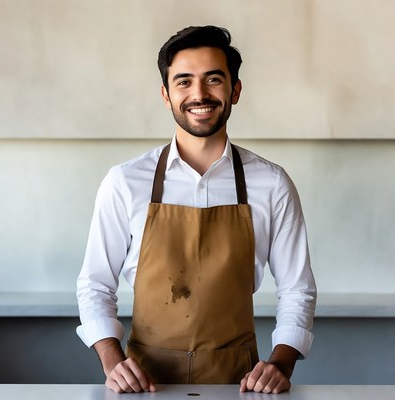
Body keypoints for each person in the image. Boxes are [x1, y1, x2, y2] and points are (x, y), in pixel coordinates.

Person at [76, 25, 316, 394]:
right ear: (166, 95)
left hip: (239, 384)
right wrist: (112, 361)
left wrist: (280, 363)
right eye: (184, 81)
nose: (199, 94)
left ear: (235, 90)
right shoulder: (124, 182)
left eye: (213, 79)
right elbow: (94, 285)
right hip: (144, 385)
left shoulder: (272, 184)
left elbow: (297, 290)